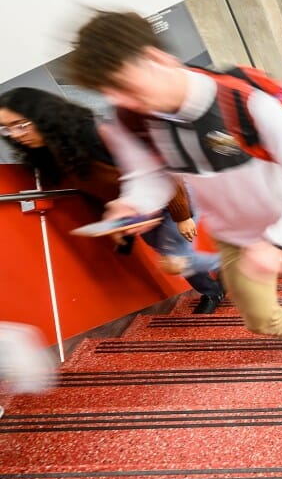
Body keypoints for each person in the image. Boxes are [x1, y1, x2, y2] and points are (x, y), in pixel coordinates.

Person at [66, 10, 282, 363]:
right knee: (258, 318)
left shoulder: (245, 103)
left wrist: (275, 244)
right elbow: (149, 176)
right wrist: (132, 204)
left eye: (128, 87)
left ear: (156, 59)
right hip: (232, 233)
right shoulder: (134, 120)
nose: (126, 101)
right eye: (114, 94)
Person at [0, 87, 226, 314]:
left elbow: (159, 171)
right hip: (135, 211)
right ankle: (216, 283)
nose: (17, 134)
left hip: (169, 196)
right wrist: (116, 226)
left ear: (43, 116)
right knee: (170, 255)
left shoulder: (95, 133)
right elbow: (97, 190)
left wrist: (183, 216)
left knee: (176, 258)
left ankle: (223, 274)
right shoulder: (52, 152)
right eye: (7, 129)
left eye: (21, 124)